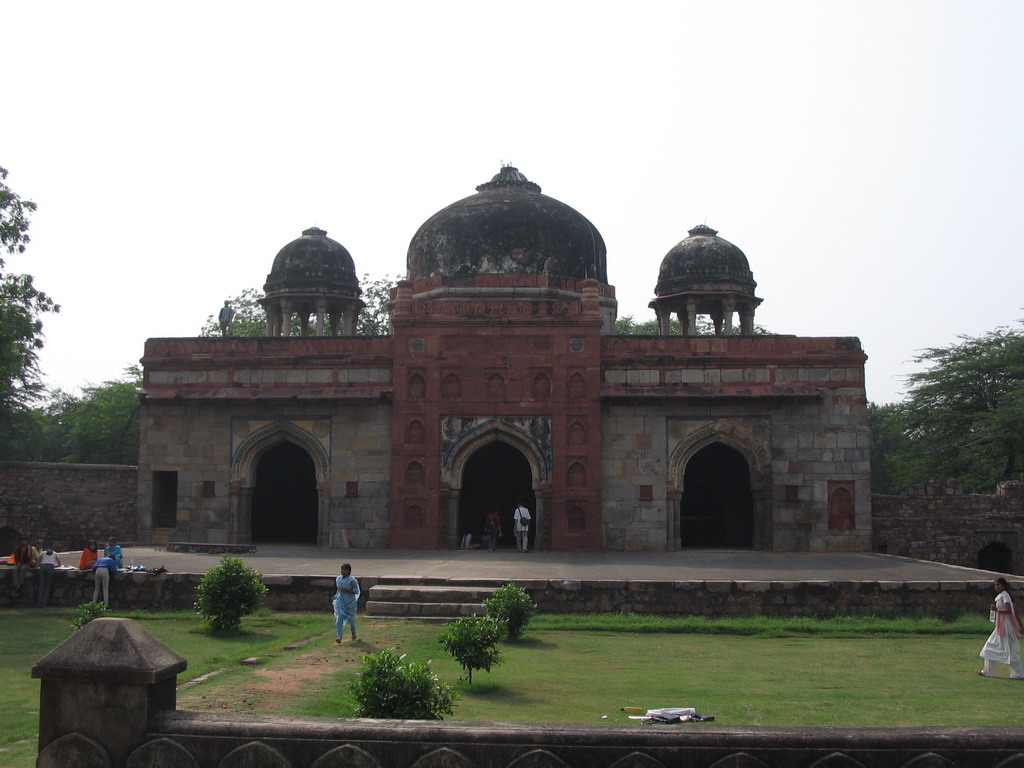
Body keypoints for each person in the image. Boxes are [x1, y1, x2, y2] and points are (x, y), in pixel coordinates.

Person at [978, 577, 1024, 679]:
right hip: (1001, 627)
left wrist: (997, 609)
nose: (996, 587)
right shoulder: (1002, 596)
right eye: (995, 585)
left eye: (998, 585)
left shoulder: (1005, 596)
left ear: (1003, 586)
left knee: (1010, 651)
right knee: (989, 647)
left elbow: (1008, 610)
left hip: (1006, 628)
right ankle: (988, 671)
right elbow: (1014, 611)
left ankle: (1018, 674)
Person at [333, 563, 360, 642]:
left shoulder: (352, 580)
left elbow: (356, 591)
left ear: (349, 571)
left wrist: (347, 590)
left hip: (350, 602)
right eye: (342, 569)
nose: (343, 571)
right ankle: (339, 636)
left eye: (345, 570)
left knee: (351, 619)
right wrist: (336, 595)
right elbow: (338, 589)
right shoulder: (338, 579)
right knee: (339, 616)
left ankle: (353, 632)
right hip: (340, 600)